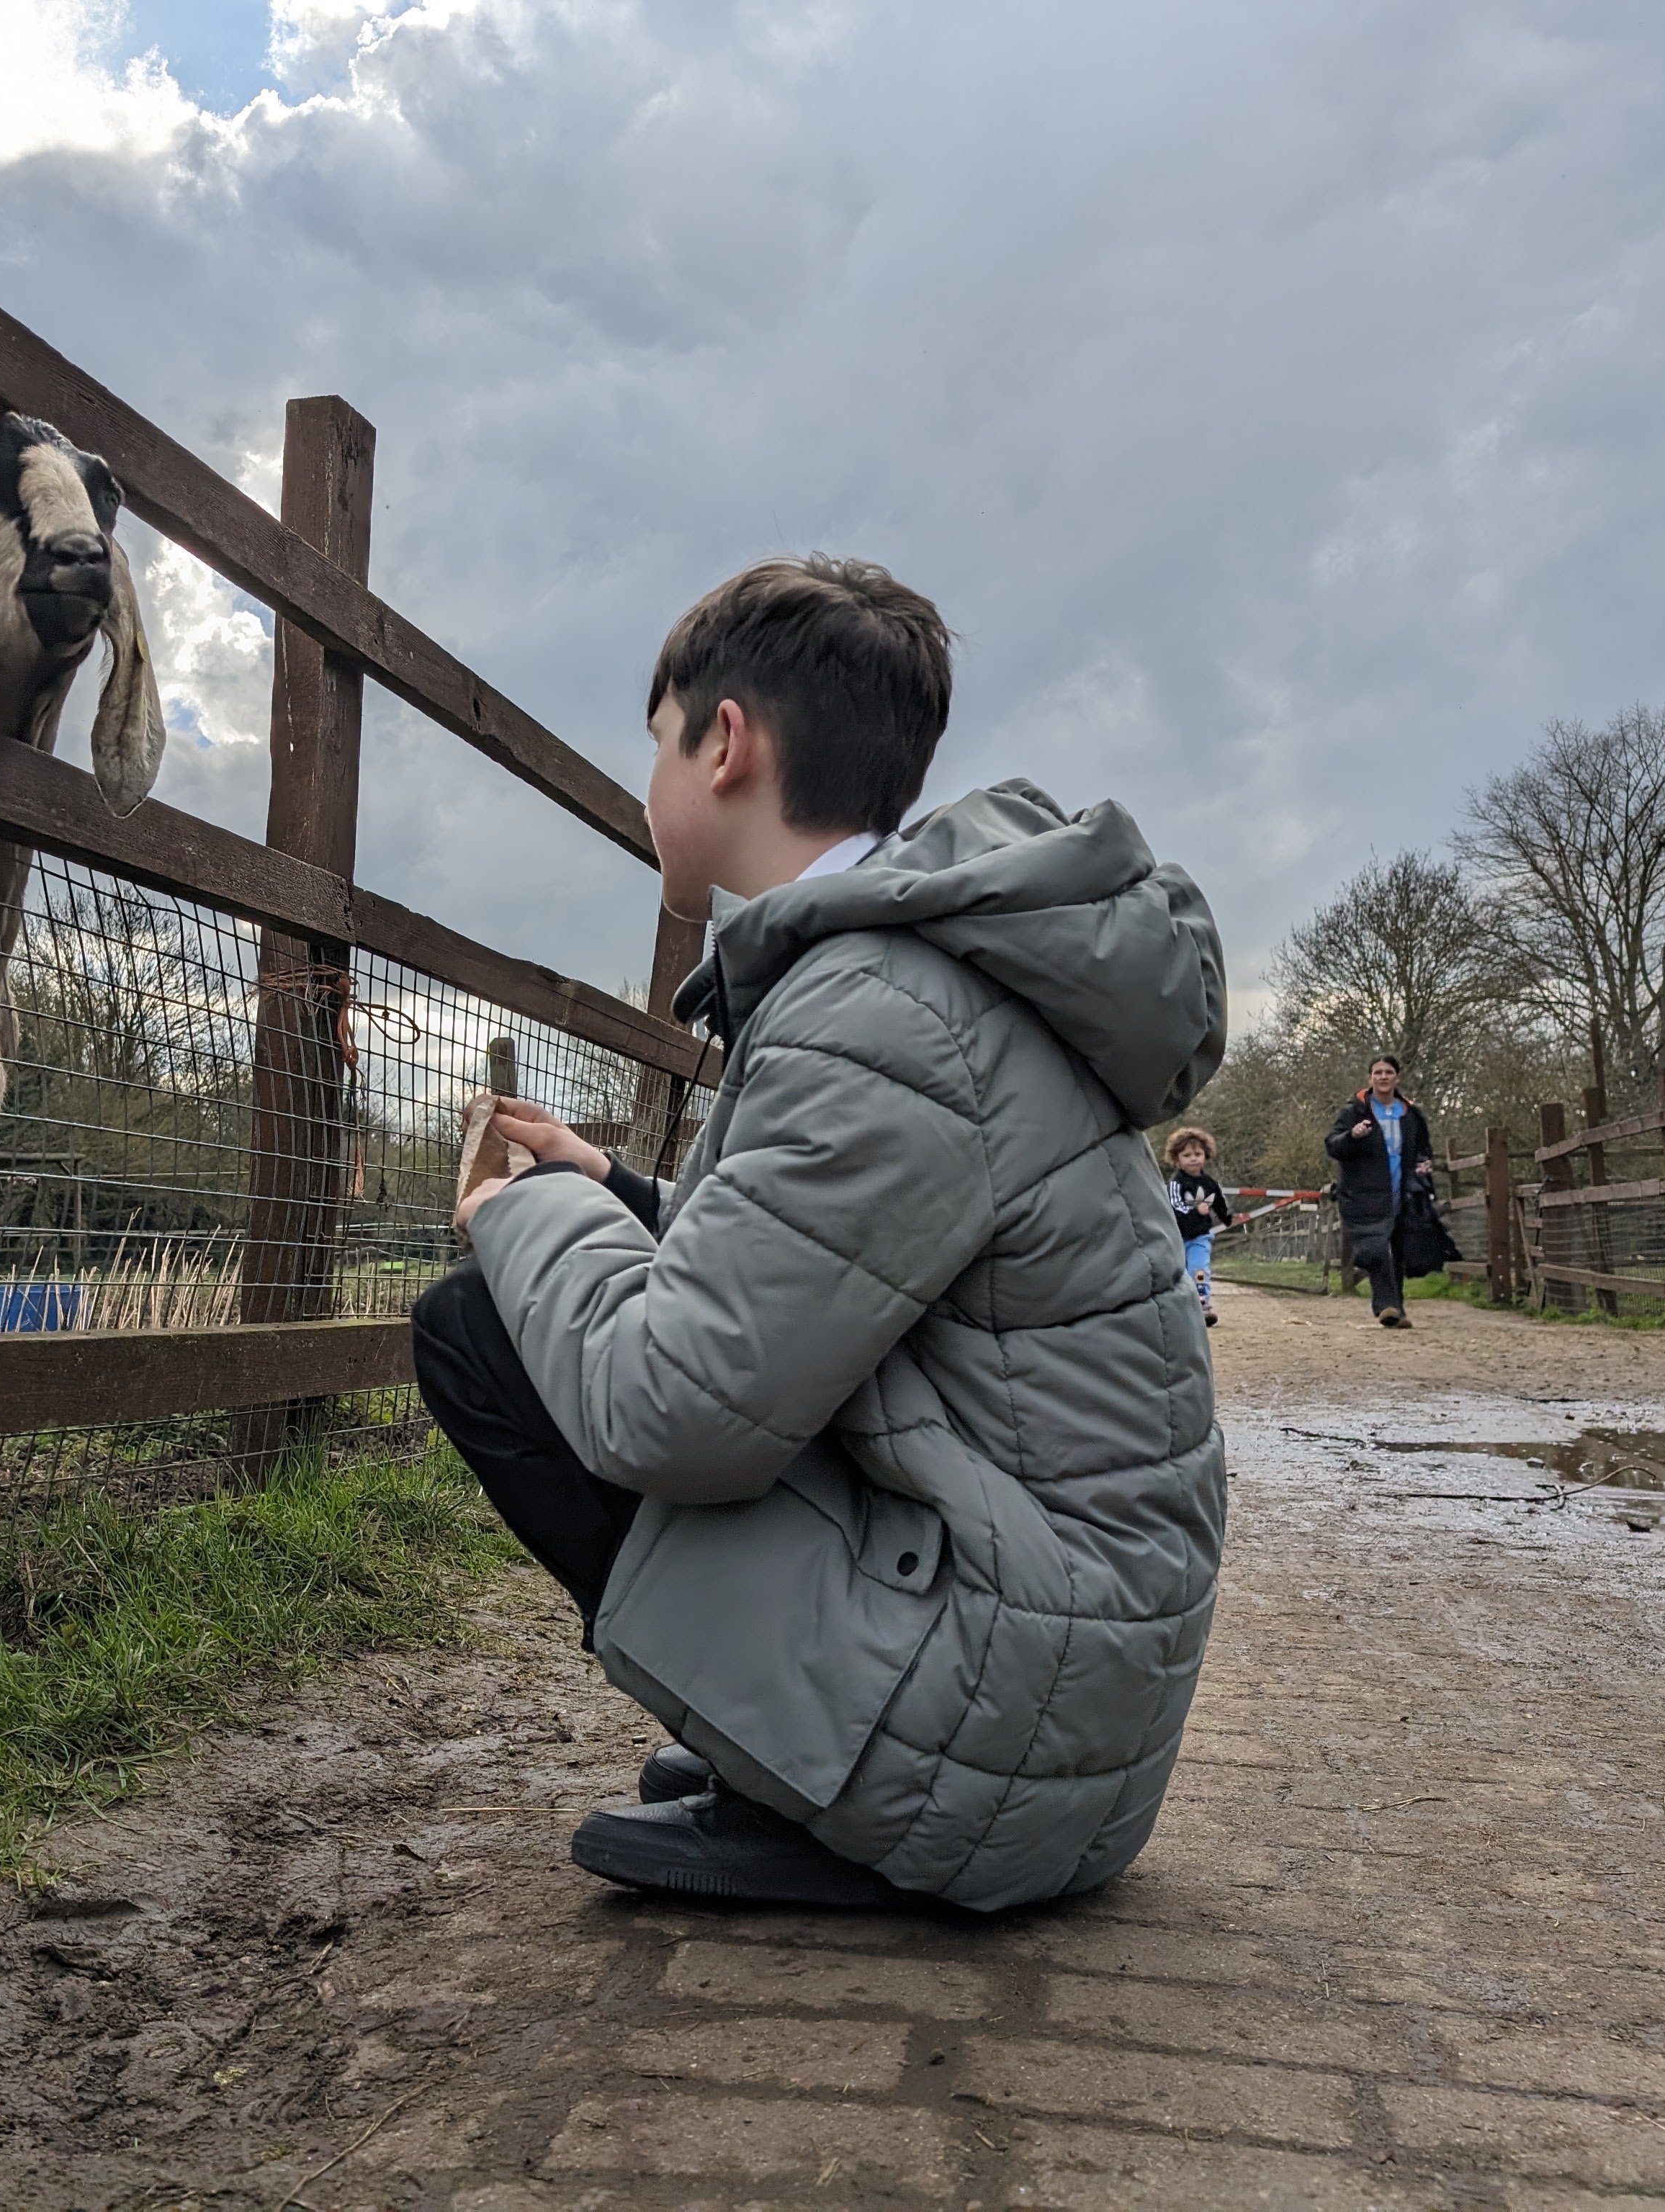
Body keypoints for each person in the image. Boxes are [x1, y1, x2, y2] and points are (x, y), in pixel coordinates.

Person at [408, 554, 1226, 1912]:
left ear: (725, 743)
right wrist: (609, 1183)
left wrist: (516, 1207)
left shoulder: (877, 1009)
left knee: (481, 1331)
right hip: (1056, 1688)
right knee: (552, 1306)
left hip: (1014, 1733)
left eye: (658, 742)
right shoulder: (915, 970)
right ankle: (793, 1757)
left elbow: (673, 1410)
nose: (650, 779)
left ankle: (826, 1804)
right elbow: (826, 1278)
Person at [1324, 1053, 1432, 1328]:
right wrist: (1352, 1135)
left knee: (1399, 1248)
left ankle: (1396, 1309)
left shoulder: (1411, 1114)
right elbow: (1333, 1146)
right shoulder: (1354, 1111)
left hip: (1402, 1190)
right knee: (1373, 1248)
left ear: (1397, 1077)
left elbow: (1423, 1149)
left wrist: (1423, 1164)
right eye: (1378, 1072)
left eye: (1388, 1072)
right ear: (1370, 1078)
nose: (1383, 1077)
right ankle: (1386, 1305)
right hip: (1364, 1193)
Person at [1162, 1126, 1233, 1326]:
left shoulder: (1210, 1183)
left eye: (1197, 1154)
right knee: (1179, 1272)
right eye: (1187, 1155)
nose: (1193, 1159)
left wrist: (1226, 1217)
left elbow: (1219, 1202)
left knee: (1199, 1269)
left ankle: (1203, 1303)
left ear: (1206, 1155)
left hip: (1200, 1236)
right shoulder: (1176, 1183)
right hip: (1178, 1237)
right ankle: (1179, 1309)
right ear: (1177, 1159)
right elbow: (1175, 1206)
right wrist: (1196, 1211)